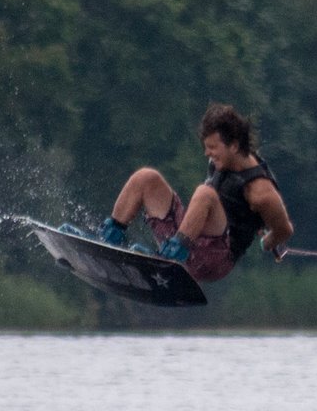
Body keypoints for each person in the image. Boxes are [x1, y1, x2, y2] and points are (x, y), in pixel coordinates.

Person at [95, 103, 293, 284]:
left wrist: (268, 243)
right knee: (146, 177)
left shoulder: (262, 193)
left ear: (234, 145)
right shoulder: (223, 159)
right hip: (187, 236)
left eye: (213, 148)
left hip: (216, 258)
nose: (207, 153)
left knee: (205, 193)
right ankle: (108, 241)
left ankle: (168, 262)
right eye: (206, 147)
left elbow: (284, 229)